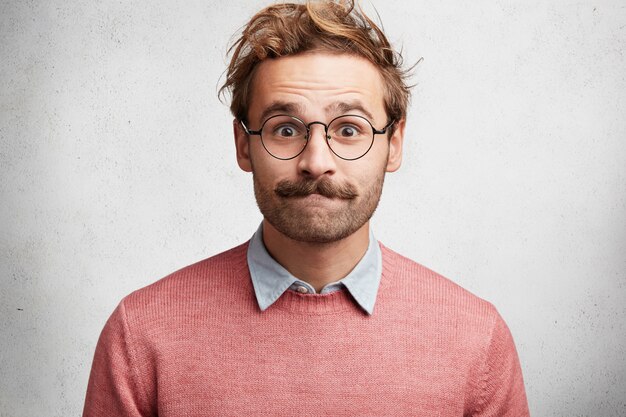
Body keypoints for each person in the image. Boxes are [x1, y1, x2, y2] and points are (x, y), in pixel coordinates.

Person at [83, 1, 529, 416]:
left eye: (349, 129)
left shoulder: (476, 339)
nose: (316, 161)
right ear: (243, 145)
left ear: (393, 145)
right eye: (286, 129)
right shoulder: (141, 334)